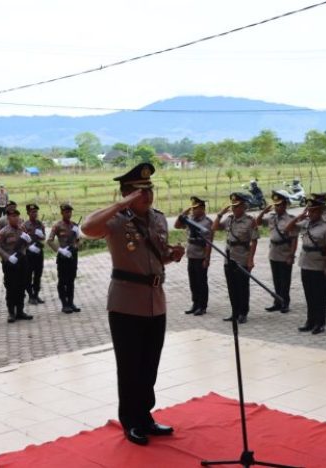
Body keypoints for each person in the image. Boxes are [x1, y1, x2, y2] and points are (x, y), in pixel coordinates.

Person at [81, 162, 184, 446]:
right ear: (127, 194)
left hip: (156, 302)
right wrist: (121, 204)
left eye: (149, 189)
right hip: (126, 304)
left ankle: (145, 416)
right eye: (140, 191)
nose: (147, 195)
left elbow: (158, 255)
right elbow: (87, 228)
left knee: (150, 365)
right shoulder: (116, 221)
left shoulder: (158, 219)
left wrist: (172, 255)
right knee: (130, 367)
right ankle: (131, 421)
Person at [285, 198, 326, 334]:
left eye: (313, 211)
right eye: (309, 211)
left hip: (319, 265)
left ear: (320, 211)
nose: (311, 213)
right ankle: (310, 321)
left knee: (320, 297)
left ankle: (320, 323)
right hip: (305, 264)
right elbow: (288, 228)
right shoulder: (305, 223)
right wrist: (301, 215)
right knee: (309, 295)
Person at [212, 193, 258, 323]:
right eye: (233, 206)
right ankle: (235, 312)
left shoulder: (250, 221)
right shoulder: (229, 219)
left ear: (243, 206)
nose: (234, 209)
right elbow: (214, 228)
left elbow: (254, 241)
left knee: (242, 287)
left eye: (237, 206)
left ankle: (243, 313)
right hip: (229, 258)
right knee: (232, 288)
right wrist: (220, 214)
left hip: (242, 258)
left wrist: (251, 260)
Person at [256, 191, 297, 314]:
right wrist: (264, 211)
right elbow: (257, 222)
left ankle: (285, 303)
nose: (277, 207)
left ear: (285, 205)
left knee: (285, 280)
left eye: (279, 205)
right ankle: (277, 302)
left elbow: (294, 239)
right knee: (276, 279)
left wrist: (291, 255)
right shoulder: (271, 217)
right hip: (274, 252)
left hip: (285, 252)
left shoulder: (291, 219)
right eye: (276, 205)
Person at [174, 196, 212, 316]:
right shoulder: (190, 219)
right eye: (192, 208)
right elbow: (177, 225)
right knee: (193, 282)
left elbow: (209, 243)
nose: (193, 211)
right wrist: (186, 210)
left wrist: (207, 258)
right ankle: (195, 304)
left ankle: (202, 306)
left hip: (201, 255)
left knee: (201, 282)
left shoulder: (207, 222)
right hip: (191, 255)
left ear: (202, 208)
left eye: (195, 208)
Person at [0, 207, 33, 323]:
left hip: (22, 261)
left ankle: (20, 311)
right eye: (12, 216)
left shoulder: (22, 229)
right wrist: (8, 257)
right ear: (8, 218)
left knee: (22, 285)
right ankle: (11, 312)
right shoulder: (3, 232)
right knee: (11, 287)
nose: (15, 218)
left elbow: (26, 245)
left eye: (17, 216)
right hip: (10, 263)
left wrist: (28, 240)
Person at [48, 203, 82, 313]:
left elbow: (78, 240)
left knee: (71, 280)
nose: (69, 214)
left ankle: (71, 302)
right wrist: (60, 250)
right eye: (66, 212)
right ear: (62, 213)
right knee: (63, 280)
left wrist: (76, 245)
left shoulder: (74, 225)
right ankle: (64, 304)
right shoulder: (57, 226)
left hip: (72, 255)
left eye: (70, 212)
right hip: (63, 256)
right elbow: (50, 240)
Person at [23, 203, 46, 305]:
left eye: (36, 212)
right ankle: (30, 296)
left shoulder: (40, 224)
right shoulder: (24, 226)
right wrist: (29, 247)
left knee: (38, 274)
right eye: (32, 212)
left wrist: (41, 235)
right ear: (28, 213)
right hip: (29, 253)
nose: (34, 214)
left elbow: (43, 237)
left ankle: (36, 294)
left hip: (38, 253)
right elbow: (21, 241)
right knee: (28, 275)